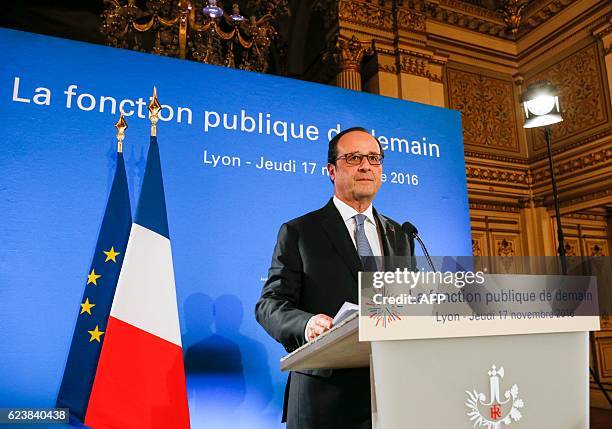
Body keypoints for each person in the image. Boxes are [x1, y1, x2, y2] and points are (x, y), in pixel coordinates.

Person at [255, 127, 412, 429]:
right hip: (324, 400)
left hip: (391, 395)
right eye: (354, 158)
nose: (366, 166)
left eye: (374, 158)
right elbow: (269, 305)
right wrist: (308, 324)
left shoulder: (400, 235)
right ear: (331, 170)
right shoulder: (300, 231)